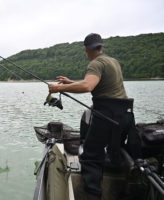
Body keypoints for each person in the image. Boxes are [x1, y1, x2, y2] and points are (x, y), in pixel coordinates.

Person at [48, 33, 137, 199]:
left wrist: (58, 88)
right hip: (125, 116)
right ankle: (123, 190)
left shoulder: (96, 64)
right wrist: (69, 82)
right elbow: (97, 83)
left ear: (86, 49)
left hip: (107, 116)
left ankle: (92, 194)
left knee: (90, 155)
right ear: (101, 47)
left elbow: (88, 85)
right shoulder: (113, 61)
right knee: (114, 150)